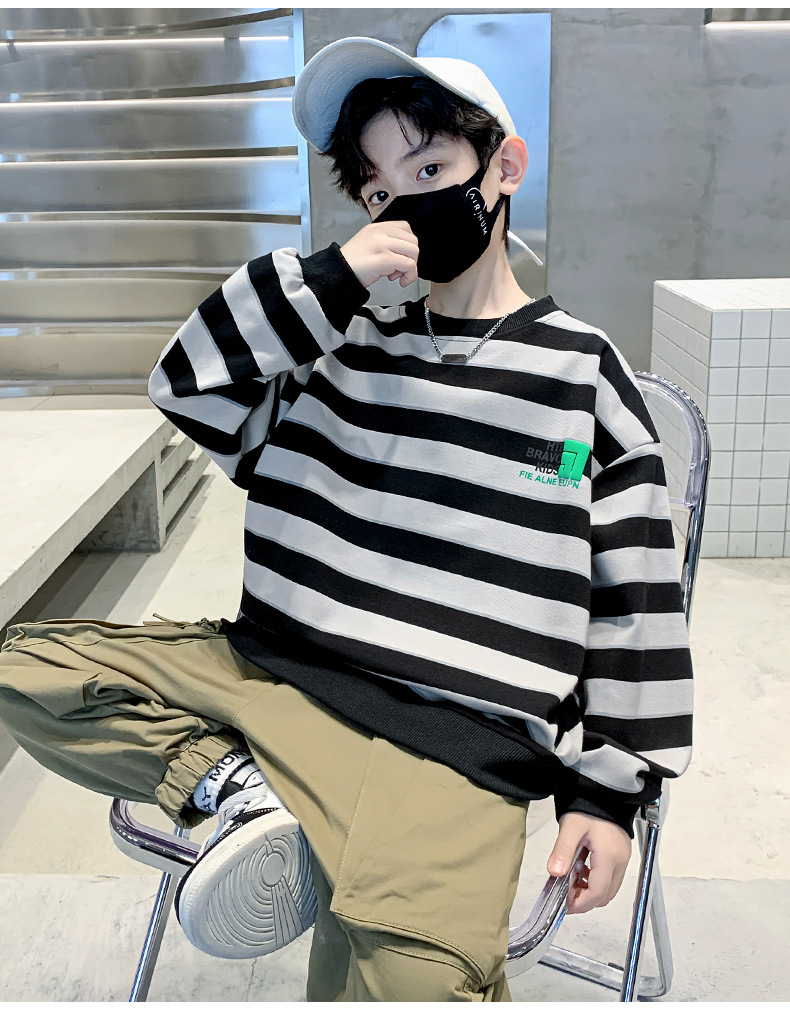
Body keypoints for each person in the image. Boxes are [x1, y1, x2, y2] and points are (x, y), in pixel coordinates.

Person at [0, 37, 693, 1002]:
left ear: (505, 166)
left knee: (409, 984)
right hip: (272, 674)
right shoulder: (337, 344)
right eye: (377, 190)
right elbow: (186, 385)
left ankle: (292, 824)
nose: (402, 204)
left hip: (455, 741)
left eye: (430, 170)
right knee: (26, 665)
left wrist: (610, 795)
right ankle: (244, 795)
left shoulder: (583, 376)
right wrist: (332, 279)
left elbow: (637, 601)